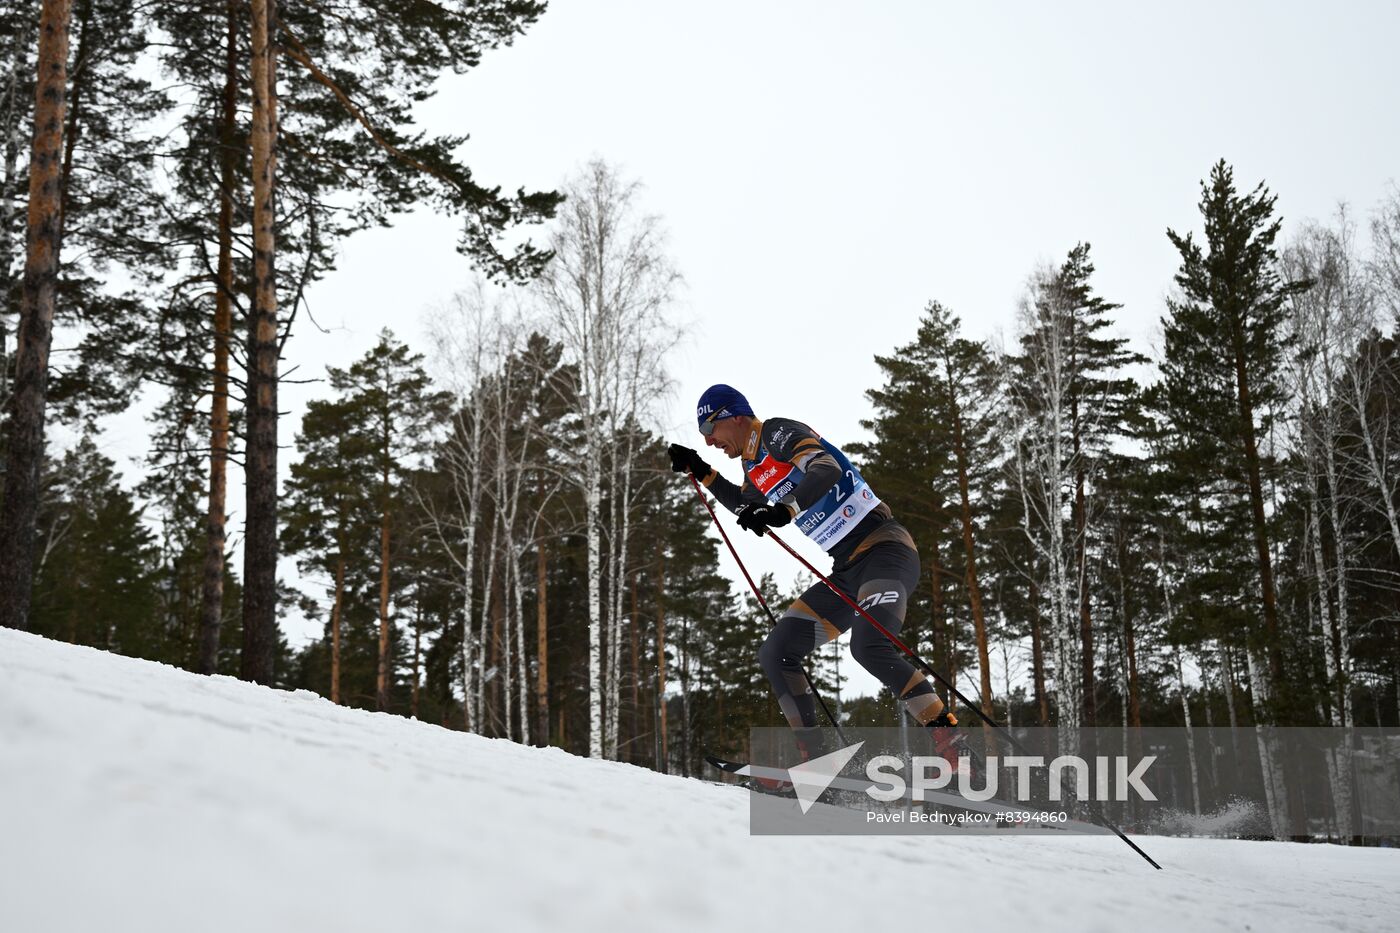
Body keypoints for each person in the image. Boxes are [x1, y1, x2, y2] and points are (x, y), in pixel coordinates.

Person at [668, 383, 966, 773]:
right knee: (777, 652)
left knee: (869, 645)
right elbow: (746, 505)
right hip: (846, 572)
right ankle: (818, 764)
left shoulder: (777, 433)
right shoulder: (752, 467)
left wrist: (785, 510)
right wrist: (701, 470)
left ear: (734, 416)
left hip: (885, 550)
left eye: (710, 430)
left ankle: (958, 753)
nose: (709, 441)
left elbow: (826, 468)